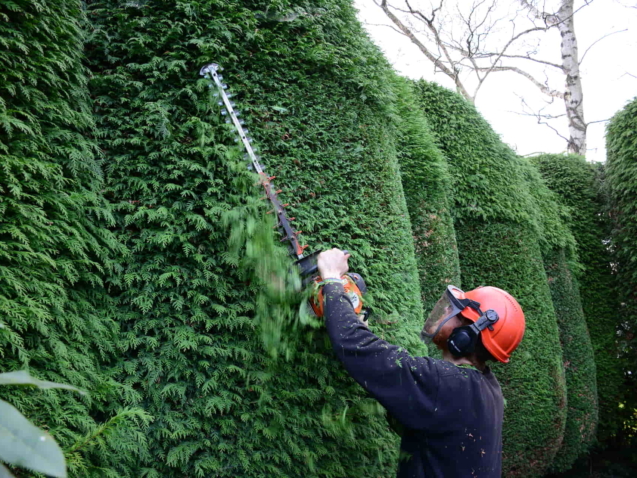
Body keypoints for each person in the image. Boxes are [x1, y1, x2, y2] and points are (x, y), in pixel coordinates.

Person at [317, 248, 526, 478]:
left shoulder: (446, 383)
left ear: (465, 336)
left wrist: (332, 277)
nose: (445, 310)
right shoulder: (487, 388)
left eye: (453, 311)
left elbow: (353, 343)